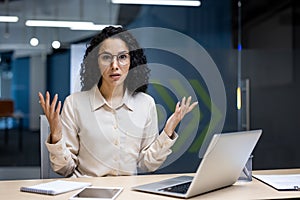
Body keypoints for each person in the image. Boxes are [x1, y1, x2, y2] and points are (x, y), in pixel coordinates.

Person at [38, 26, 198, 177]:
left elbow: (147, 164)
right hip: (87, 191)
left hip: (128, 192)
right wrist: (56, 135)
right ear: (95, 62)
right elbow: (64, 169)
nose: (115, 66)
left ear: (132, 62)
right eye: (106, 57)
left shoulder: (145, 103)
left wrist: (168, 131)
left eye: (122, 57)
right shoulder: (74, 103)